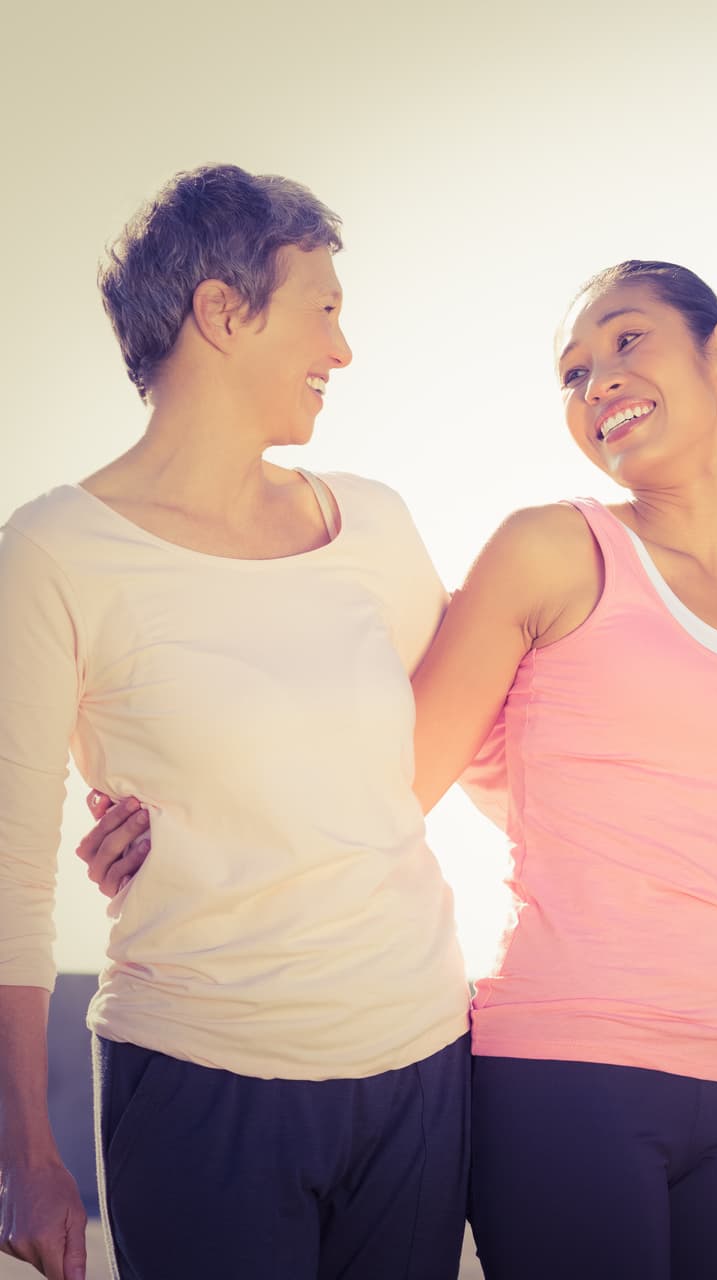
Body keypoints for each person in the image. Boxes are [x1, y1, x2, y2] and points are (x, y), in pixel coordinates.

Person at [75, 260, 717, 1280]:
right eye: (571, 370)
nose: (596, 379)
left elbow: (679, 843)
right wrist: (188, 823)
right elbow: (391, 778)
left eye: (626, 341)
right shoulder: (552, 549)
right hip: (565, 1065)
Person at [0, 165, 470, 1280]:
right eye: (324, 308)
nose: (343, 350)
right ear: (222, 310)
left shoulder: (375, 522)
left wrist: (707, 900)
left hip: (419, 1063)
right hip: (198, 1076)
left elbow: (483, 745)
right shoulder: (54, 553)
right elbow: (11, 871)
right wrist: (23, 1151)